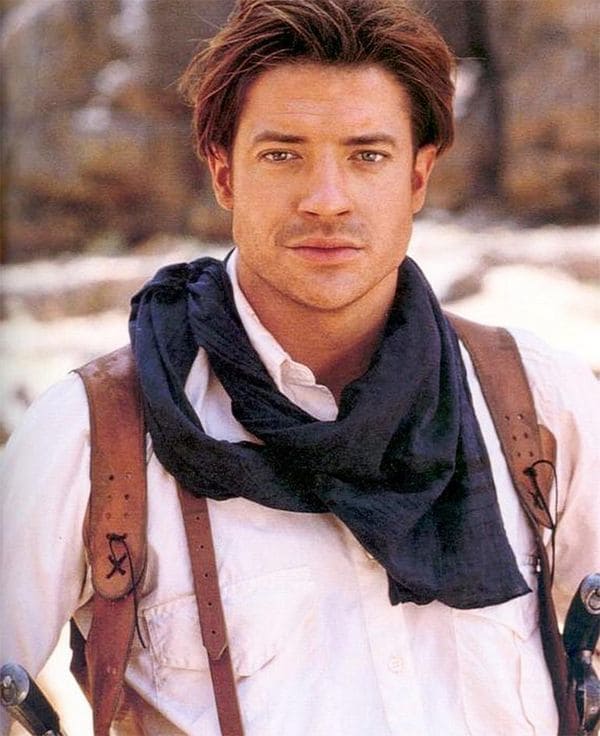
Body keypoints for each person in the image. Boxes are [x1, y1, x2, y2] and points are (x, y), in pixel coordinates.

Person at [1, 1, 598, 734]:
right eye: (282, 155)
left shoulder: (536, 402)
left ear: (418, 176)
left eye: (367, 156)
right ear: (224, 173)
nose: (326, 200)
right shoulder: (99, 434)